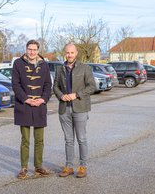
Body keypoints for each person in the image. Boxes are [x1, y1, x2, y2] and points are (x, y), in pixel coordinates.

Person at [53, 43, 96, 178]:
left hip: (80, 108)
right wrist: (61, 95)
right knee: (68, 139)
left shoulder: (85, 68)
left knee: (81, 139)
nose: (69, 55)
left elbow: (91, 86)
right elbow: (55, 87)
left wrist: (76, 94)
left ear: (76, 53)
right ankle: (69, 166)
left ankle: (83, 166)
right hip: (64, 109)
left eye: (72, 52)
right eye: (67, 52)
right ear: (64, 53)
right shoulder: (60, 69)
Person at [12, 39, 52, 179]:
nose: (32, 52)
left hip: (40, 106)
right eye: (30, 49)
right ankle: (23, 167)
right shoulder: (18, 63)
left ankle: (38, 166)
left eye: (35, 50)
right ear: (26, 49)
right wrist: (26, 99)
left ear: (38, 51)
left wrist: (43, 99)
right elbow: (15, 84)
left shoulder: (44, 65)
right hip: (24, 106)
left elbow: (48, 85)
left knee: (39, 140)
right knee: (25, 140)